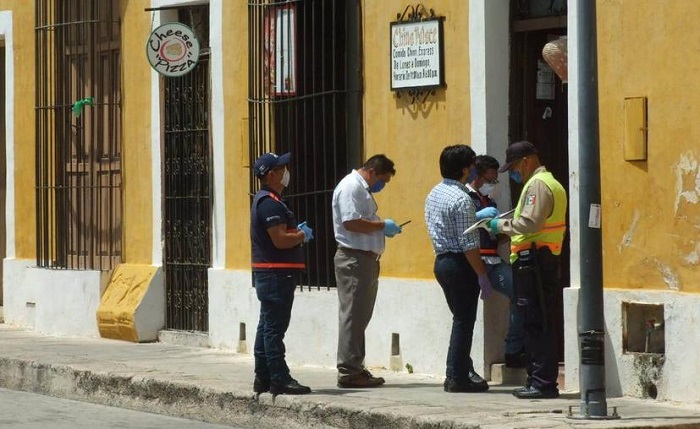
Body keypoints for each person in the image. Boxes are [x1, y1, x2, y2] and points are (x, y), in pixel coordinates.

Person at [487, 141, 567, 399]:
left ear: (527, 160)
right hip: (537, 259)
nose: (514, 173)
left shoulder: (538, 185)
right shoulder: (547, 182)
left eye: (514, 167)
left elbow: (530, 223)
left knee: (537, 322)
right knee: (536, 321)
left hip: (534, 261)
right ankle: (538, 380)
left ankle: (542, 383)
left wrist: (500, 226)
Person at [424, 144, 492, 393]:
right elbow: (469, 244)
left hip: (442, 262)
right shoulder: (462, 198)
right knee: (464, 321)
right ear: (465, 168)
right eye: (472, 165)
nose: (474, 170)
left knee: (459, 319)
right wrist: (482, 274)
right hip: (460, 264)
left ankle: (460, 370)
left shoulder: (434, 193)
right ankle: (456, 376)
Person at [332, 154, 402, 388]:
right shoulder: (352, 187)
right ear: (372, 171)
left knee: (360, 315)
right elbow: (350, 222)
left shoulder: (360, 188)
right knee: (353, 315)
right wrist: (382, 225)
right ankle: (349, 371)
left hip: (364, 259)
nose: (381, 186)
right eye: (382, 180)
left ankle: (356, 367)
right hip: (355, 259)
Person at [250, 152, 314, 395]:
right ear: (271, 174)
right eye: (282, 168)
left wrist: (294, 233)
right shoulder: (269, 203)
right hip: (276, 274)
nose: (286, 171)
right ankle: (279, 377)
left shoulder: (270, 200)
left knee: (266, 325)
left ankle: (263, 376)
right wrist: (300, 235)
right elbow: (280, 240)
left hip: (272, 273)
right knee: (274, 328)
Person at [467, 155, 526, 368]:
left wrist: (505, 228)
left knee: (520, 292)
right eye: (490, 180)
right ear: (477, 176)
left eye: (495, 181)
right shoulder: (465, 198)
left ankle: (514, 349)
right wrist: (477, 217)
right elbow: (460, 225)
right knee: (465, 312)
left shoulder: (490, 202)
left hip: (492, 260)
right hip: (472, 259)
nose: (492, 185)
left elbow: (495, 236)